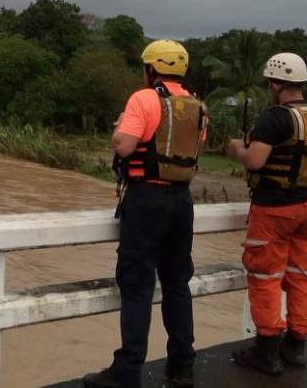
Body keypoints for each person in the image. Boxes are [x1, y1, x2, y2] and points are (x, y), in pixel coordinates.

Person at [84, 40, 207, 388]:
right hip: (182, 203)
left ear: (151, 69)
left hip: (146, 200)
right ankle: (182, 365)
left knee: (137, 286)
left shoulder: (143, 98)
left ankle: (127, 371)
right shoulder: (198, 106)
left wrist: (120, 125)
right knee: (176, 282)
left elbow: (124, 145)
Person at [227, 52, 307, 375]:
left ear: (276, 84)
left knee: (265, 277)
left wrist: (237, 150)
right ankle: (296, 345)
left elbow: (256, 161)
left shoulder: (274, 118)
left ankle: (267, 350)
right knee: (300, 274)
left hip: (274, 209)